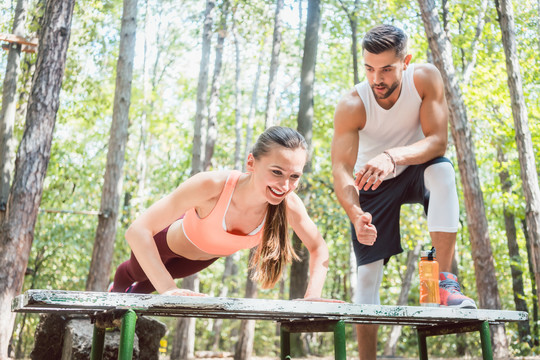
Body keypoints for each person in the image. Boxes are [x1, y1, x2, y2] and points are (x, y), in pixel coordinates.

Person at [331, 24, 477, 359]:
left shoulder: (425, 78)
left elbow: (438, 141)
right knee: (366, 279)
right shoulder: (353, 104)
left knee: (443, 171)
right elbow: (341, 169)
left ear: (405, 62)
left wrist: (393, 155)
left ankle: (443, 283)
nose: (376, 79)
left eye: (385, 69)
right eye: (368, 68)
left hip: (415, 165)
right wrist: (355, 215)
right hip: (372, 181)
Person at [110, 126, 330, 300]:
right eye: (276, 172)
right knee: (136, 275)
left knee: (143, 290)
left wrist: (313, 296)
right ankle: (115, 288)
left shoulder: (289, 204)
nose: (285, 185)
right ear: (251, 162)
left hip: (202, 258)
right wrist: (167, 288)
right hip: (165, 244)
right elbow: (137, 231)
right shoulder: (211, 185)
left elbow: (318, 247)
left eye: (294, 177)